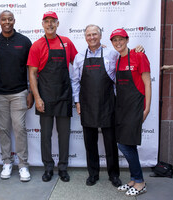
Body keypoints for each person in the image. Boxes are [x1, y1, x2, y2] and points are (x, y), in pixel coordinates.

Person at [28, 11, 78, 182]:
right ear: (42, 24)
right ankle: (48, 167)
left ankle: (63, 167)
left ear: (57, 23)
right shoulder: (37, 46)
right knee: (46, 135)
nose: (50, 24)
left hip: (64, 95)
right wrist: (37, 98)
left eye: (53, 21)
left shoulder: (67, 43)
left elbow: (77, 64)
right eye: (46, 21)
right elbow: (32, 74)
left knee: (64, 134)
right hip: (45, 96)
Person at [70, 24, 121, 187]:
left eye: (94, 34)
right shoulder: (79, 57)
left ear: (100, 36)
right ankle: (93, 174)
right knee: (90, 143)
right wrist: (77, 102)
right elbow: (76, 82)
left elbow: (117, 77)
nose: (91, 37)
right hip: (87, 105)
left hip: (107, 104)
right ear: (85, 37)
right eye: (88, 35)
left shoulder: (112, 54)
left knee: (110, 142)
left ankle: (114, 175)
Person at [0, 10, 33, 182]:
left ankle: (23, 165)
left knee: (19, 129)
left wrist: (30, 91)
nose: (7, 22)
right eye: (4, 19)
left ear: (14, 21)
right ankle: (7, 162)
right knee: (3, 130)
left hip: (19, 93)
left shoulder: (24, 41)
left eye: (10, 19)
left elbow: (31, 69)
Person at [110, 28, 151, 197]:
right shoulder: (117, 59)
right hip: (122, 107)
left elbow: (147, 83)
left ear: (127, 39)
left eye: (121, 39)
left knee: (124, 145)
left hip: (135, 106)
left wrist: (147, 108)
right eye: (115, 40)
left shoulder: (139, 55)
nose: (118, 43)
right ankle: (134, 179)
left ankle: (140, 182)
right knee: (129, 144)